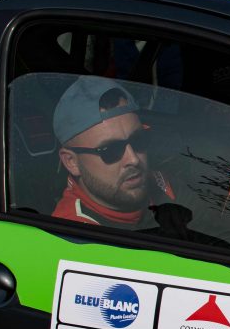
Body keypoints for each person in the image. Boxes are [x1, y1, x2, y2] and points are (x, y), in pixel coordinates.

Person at [52, 77, 163, 227]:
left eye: (138, 140)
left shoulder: (161, 184)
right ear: (71, 162)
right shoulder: (73, 238)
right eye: (110, 150)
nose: (133, 159)